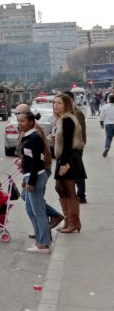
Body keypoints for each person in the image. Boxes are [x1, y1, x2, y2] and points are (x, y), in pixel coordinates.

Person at [15, 109, 53, 252]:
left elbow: (37, 161)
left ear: (31, 122)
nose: (20, 124)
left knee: (39, 212)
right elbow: (29, 159)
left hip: (36, 176)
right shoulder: (27, 136)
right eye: (19, 121)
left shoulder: (35, 137)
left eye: (23, 121)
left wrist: (31, 181)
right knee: (30, 210)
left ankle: (44, 244)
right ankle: (40, 241)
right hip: (30, 175)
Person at [51, 93, 87, 233]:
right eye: (54, 103)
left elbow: (67, 144)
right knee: (60, 188)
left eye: (59, 103)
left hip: (69, 158)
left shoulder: (67, 120)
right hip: (64, 157)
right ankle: (68, 221)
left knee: (69, 190)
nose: (56, 105)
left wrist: (64, 163)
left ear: (67, 105)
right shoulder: (62, 119)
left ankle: (74, 222)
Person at [100, 94, 114, 158]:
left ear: (109, 99)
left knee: (108, 138)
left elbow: (102, 116)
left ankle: (107, 147)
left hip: (108, 124)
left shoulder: (105, 106)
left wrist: (101, 123)